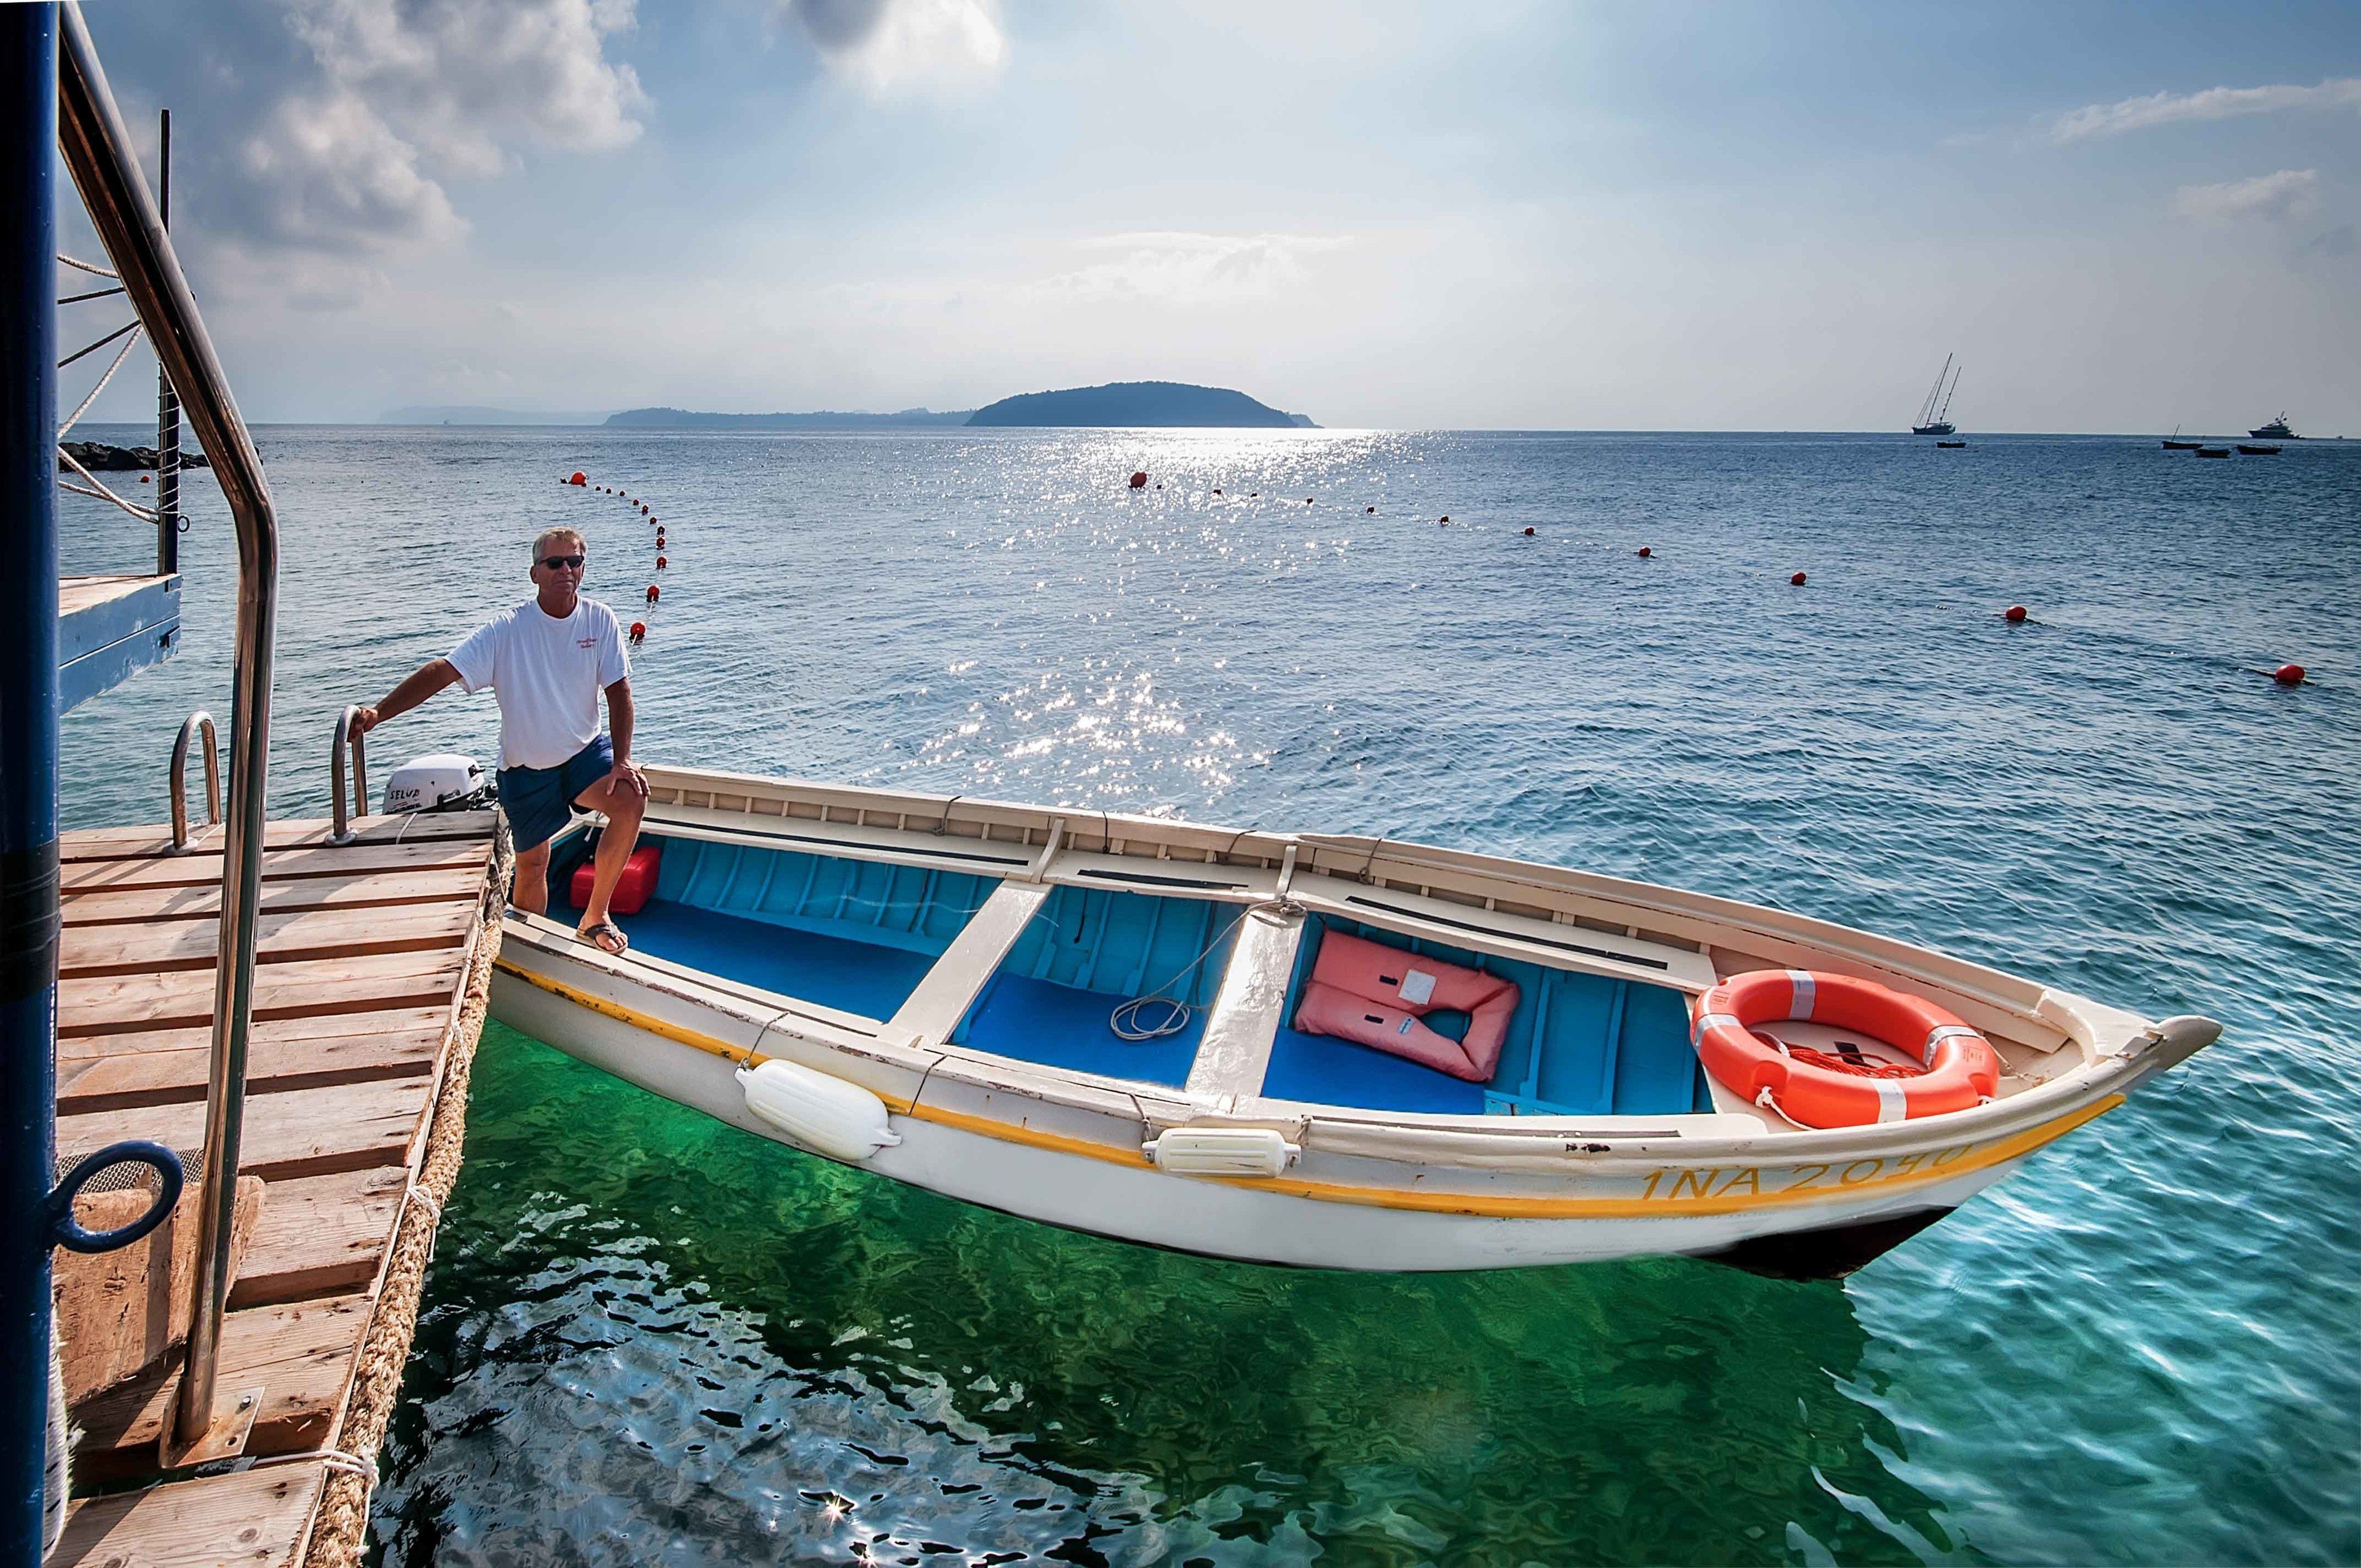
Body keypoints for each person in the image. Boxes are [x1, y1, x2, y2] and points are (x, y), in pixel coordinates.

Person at [351, 525, 648, 954]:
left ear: (583, 569)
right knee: (533, 864)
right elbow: (443, 671)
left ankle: (595, 916)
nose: (565, 570)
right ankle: (530, 948)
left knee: (631, 799)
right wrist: (380, 713)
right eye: (555, 563)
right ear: (535, 573)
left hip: (584, 754)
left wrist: (622, 760)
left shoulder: (600, 620)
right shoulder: (507, 630)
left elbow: (619, 693)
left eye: (574, 562)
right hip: (527, 770)